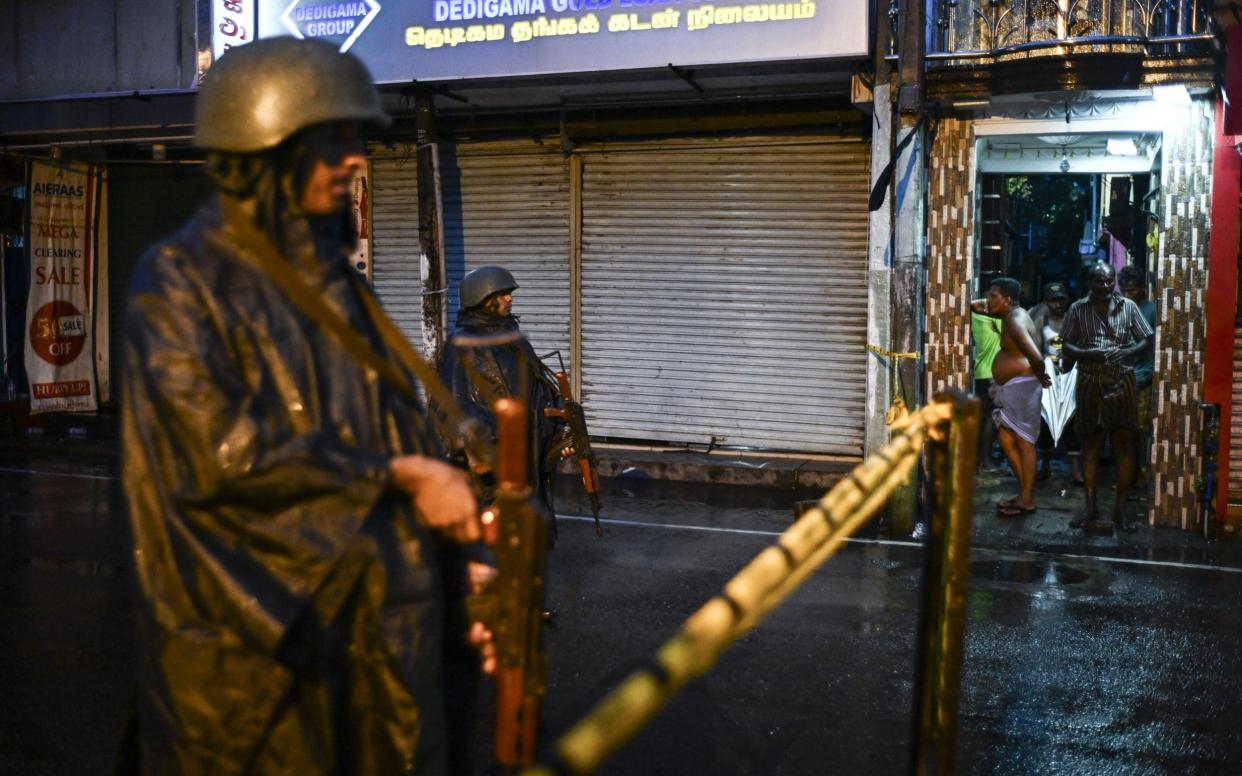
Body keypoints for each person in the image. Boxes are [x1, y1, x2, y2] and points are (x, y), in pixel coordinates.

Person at [122, 38, 491, 774]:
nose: (356, 158)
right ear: (265, 147)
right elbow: (218, 454)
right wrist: (404, 478)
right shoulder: (179, 282)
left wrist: (464, 557)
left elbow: (397, 430)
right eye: (335, 137)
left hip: (378, 645)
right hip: (261, 665)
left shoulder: (339, 286)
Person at [439, 266, 564, 509]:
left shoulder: (512, 338)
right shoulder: (463, 344)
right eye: (502, 293)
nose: (510, 298)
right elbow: (456, 403)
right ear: (483, 298)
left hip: (527, 452)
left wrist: (559, 427)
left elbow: (539, 385)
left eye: (509, 292)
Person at [1061, 263, 1155, 533]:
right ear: (1089, 282)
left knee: (1125, 445)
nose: (1104, 286)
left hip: (1122, 381)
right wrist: (1087, 353)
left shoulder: (1128, 306)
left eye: (1108, 281)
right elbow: (1065, 343)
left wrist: (1127, 353)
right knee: (1090, 444)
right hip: (1090, 381)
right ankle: (1090, 507)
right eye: (1098, 281)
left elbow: (1146, 340)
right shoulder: (1078, 308)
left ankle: (1120, 511)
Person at [971, 277, 1052, 516]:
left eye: (993, 296)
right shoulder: (1009, 315)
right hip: (1016, 386)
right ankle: (1023, 493)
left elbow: (1035, 356)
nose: (987, 300)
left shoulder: (1015, 320)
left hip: (1023, 386)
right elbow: (977, 305)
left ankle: (1027, 498)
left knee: (1024, 441)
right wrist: (986, 304)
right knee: (1006, 439)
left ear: (1007, 299)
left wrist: (1043, 377)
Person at [1027, 282, 1080, 482]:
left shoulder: (1073, 320)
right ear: (1046, 302)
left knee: (1073, 422)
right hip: (1047, 378)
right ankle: (1045, 465)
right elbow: (1034, 349)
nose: (1058, 304)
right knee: (1045, 421)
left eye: (1060, 300)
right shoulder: (1042, 320)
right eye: (1053, 300)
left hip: (1070, 376)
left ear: (1067, 299)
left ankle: (1075, 470)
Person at [1118, 264, 1157, 487]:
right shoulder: (1120, 308)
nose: (1127, 294)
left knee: (1139, 429)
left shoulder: (1151, 309)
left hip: (1142, 377)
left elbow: (1152, 345)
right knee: (1121, 429)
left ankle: (1138, 472)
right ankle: (1127, 474)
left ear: (1143, 288)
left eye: (1132, 290)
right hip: (1120, 376)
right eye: (1124, 290)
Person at [971, 285, 1005, 472]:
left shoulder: (976, 317)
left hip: (981, 373)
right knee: (991, 419)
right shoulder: (992, 321)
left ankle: (980, 459)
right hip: (992, 374)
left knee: (984, 417)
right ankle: (985, 460)